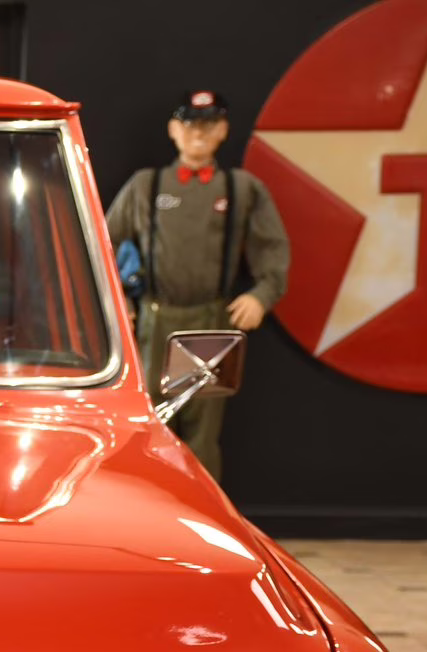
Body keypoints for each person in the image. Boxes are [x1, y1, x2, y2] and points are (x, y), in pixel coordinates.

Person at [106, 90, 290, 481]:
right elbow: (101, 243)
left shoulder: (240, 189)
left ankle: (203, 530)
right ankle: (145, 522)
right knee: (148, 427)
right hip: (154, 321)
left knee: (203, 434)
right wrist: (116, 296)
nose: (199, 133)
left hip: (212, 321)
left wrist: (262, 294)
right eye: (190, 124)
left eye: (209, 125)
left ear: (222, 130)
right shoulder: (147, 185)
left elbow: (273, 248)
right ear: (174, 130)